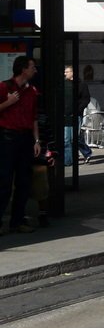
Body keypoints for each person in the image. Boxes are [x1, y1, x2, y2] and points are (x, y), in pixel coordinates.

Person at [0, 56, 42, 234]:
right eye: (33, 67)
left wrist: (36, 140)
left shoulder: (32, 91)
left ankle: (17, 222)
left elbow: (33, 118)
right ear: (23, 69)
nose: (35, 70)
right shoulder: (4, 87)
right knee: (4, 182)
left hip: (25, 138)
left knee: (24, 182)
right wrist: (8, 102)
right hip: (7, 137)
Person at [74, 65, 95, 163]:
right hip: (67, 113)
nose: (65, 74)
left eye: (67, 72)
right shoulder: (66, 85)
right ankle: (73, 155)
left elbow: (86, 99)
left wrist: (79, 108)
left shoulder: (82, 85)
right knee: (68, 137)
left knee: (76, 136)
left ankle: (87, 152)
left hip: (77, 113)